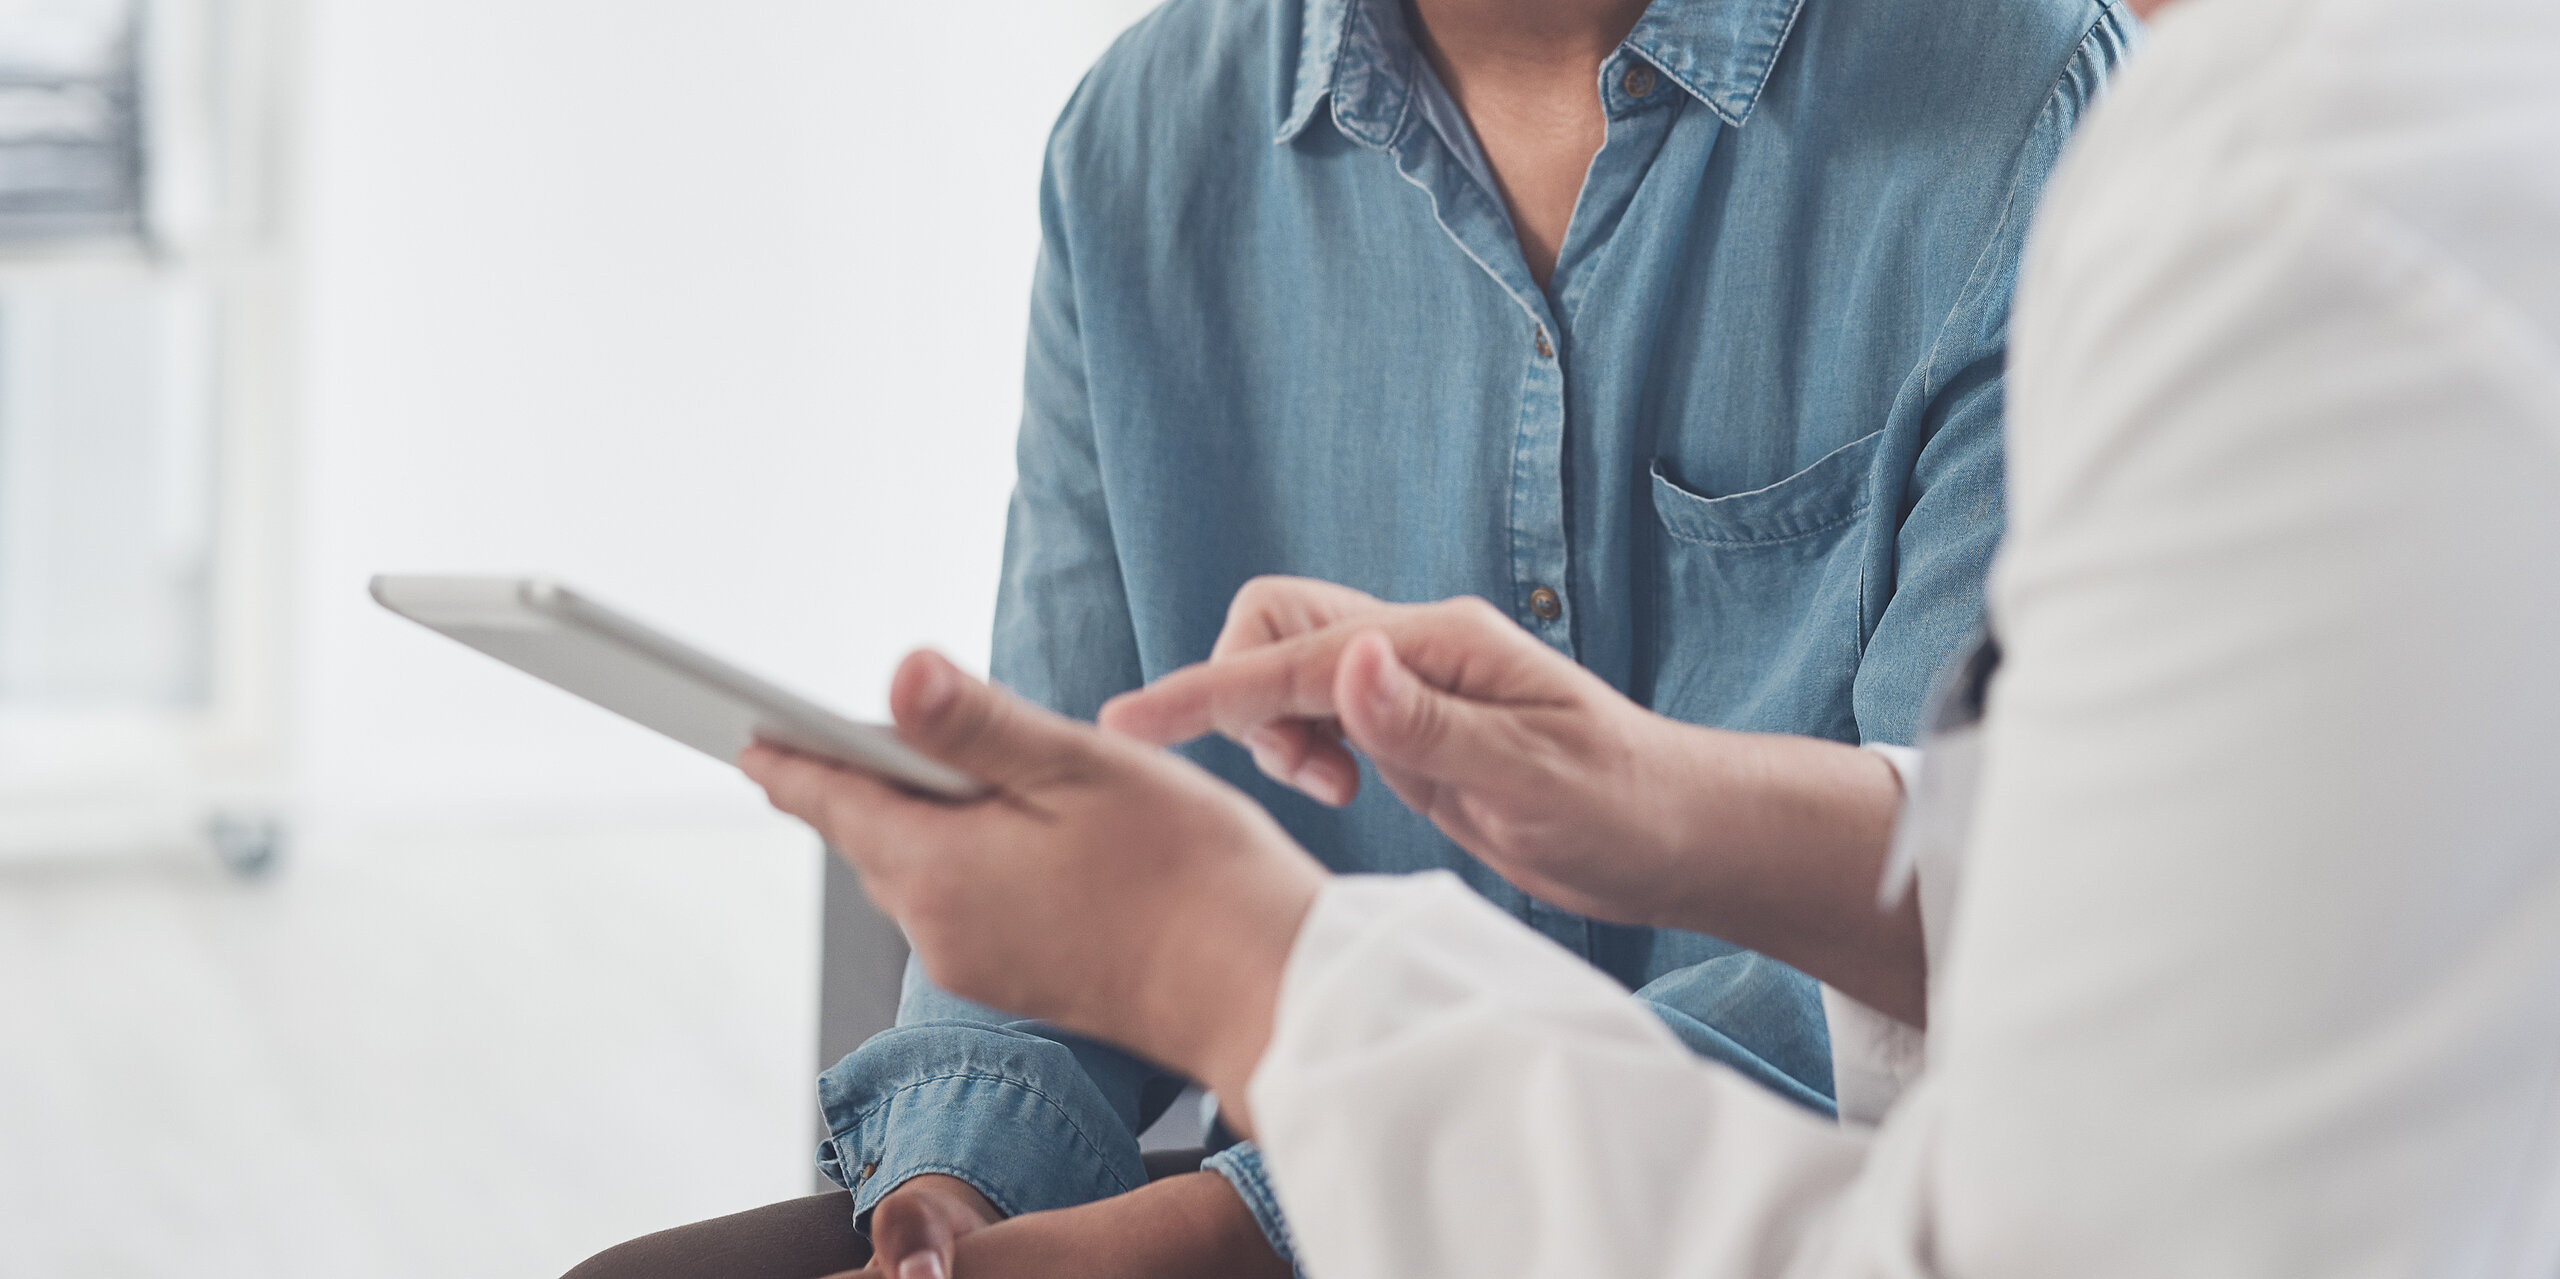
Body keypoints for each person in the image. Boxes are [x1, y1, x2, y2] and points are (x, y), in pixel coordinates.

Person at [739, 0, 2560, 1271]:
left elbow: (1986, 1141)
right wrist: (954, 1186)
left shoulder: (2177, 166)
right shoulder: (1142, 146)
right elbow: (2083, 857)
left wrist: (1255, 1088)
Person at [566, 0, 2135, 1274]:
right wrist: (953, 1200)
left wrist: (1235, 1229)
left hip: (1772, 1215)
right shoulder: (1139, 142)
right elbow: (1061, 822)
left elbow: (1956, 942)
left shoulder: (2025, 108)